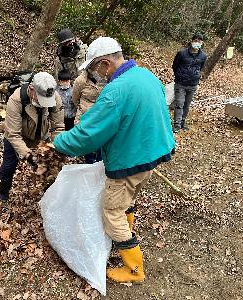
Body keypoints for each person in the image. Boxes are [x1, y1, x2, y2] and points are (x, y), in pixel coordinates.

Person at [53, 37, 175, 283]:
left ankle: (134, 269)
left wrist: (57, 143)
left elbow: (87, 135)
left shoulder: (116, 91)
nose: (97, 74)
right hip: (152, 153)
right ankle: (124, 234)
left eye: (95, 68)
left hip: (129, 160)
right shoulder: (146, 76)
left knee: (112, 212)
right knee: (126, 200)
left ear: (106, 63)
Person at [0, 72, 65, 202]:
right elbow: (13, 134)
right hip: (16, 137)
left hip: (41, 137)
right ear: (32, 89)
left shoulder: (55, 98)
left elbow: (58, 127)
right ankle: (2, 194)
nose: (44, 104)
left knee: (48, 169)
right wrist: (28, 156)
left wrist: (57, 147)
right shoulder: (16, 100)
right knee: (8, 167)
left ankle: (48, 197)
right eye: (41, 99)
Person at [172, 33, 207, 133]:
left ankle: (182, 123)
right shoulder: (182, 53)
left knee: (187, 105)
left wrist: (196, 76)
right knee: (179, 103)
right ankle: (177, 125)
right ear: (191, 41)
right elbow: (175, 66)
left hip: (193, 84)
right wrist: (179, 75)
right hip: (180, 83)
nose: (197, 43)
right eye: (195, 40)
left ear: (202, 43)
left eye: (199, 41)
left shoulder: (203, 56)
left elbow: (201, 67)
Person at [72, 68, 106, 163]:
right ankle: (89, 161)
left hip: (101, 115)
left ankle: (100, 162)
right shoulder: (80, 80)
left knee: (101, 140)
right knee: (87, 141)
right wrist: (84, 107)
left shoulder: (106, 78)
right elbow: (75, 98)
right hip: (85, 116)